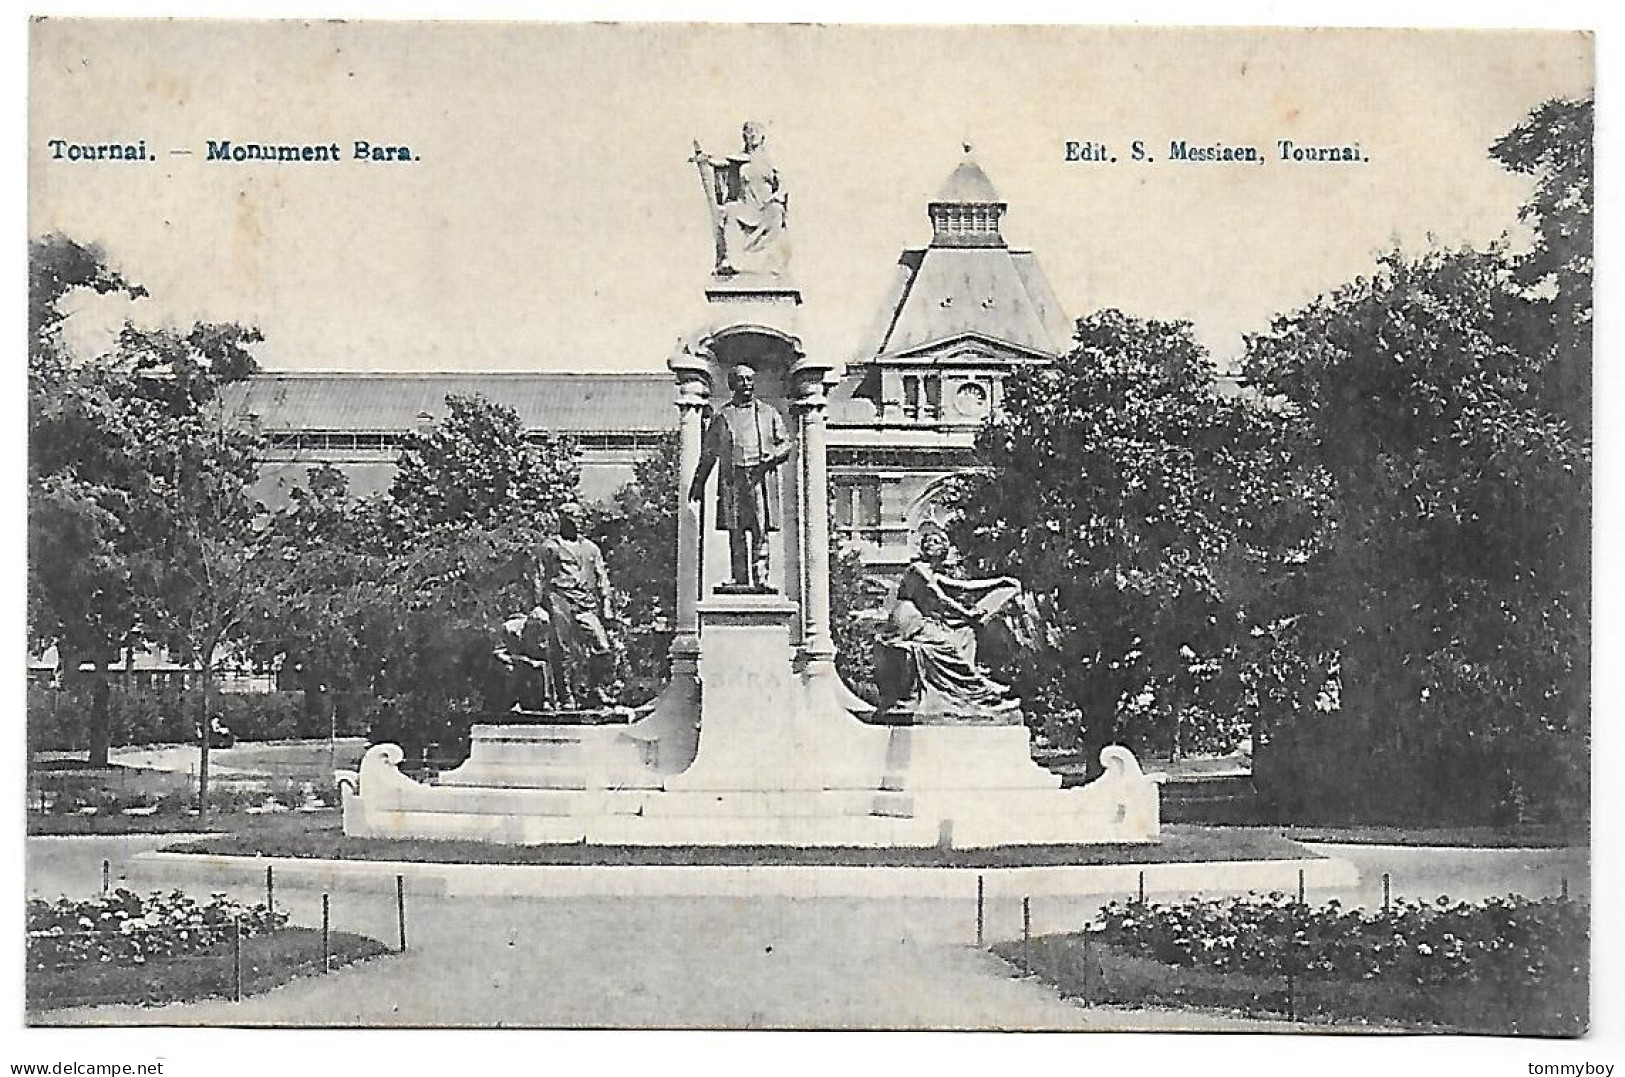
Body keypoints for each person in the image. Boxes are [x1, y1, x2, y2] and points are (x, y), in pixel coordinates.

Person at [875, 528, 1022, 722]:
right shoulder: (917, 568)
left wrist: (999, 582)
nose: (929, 544)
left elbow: (963, 586)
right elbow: (940, 597)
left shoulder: (931, 572)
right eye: (927, 541)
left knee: (965, 634)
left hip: (919, 622)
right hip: (906, 623)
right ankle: (980, 688)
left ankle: (976, 688)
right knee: (946, 646)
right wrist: (967, 613)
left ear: (944, 548)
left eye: (935, 541)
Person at [687, 364, 793, 589]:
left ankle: (761, 578)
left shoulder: (768, 412)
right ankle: (740, 578)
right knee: (736, 530)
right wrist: (699, 483)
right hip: (733, 478)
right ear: (732, 385)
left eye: (750, 380)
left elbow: (786, 443)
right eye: (742, 380)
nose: (747, 384)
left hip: (759, 476)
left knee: (760, 528)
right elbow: (709, 453)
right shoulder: (723, 416)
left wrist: (772, 456)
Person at [535, 503, 616, 708]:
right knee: (562, 650)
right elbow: (539, 577)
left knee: (602, 646)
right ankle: (565, 697)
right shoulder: (550, 547)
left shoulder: (591, 548)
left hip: (585, 602)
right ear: (562, 519)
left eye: (580, 516)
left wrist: (606, 604)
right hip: (559, 598)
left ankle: (594, 690)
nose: (577, 520)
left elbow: (602, 577)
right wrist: (540, 604)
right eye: (572, 516)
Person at [699, 121, 790, 276]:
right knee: (730, 210)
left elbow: (782, 185)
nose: (752, 135)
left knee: (777, 211)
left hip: (765, 208)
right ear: (744, 136)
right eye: (749, 132)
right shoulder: (739, 160)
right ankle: (730, 259)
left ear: (762, 137)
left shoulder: (770, 160)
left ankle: (771, 260)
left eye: (756, 131)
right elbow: (721, 165)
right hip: (746, 207)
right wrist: (705, 160)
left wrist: (777, 198)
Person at [493, 605, 556, 712]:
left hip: (527, 662)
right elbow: (497, 653)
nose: (537, 634)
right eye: (535, 629)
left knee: (543, 666)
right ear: (528, 623)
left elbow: (544, 656)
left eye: (540, 631)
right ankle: (513, 702)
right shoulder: (509, 629)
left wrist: (534, 661)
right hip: (507, 661)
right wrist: (521, 660)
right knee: (511, 670)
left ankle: (545, 700)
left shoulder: (541, 636)